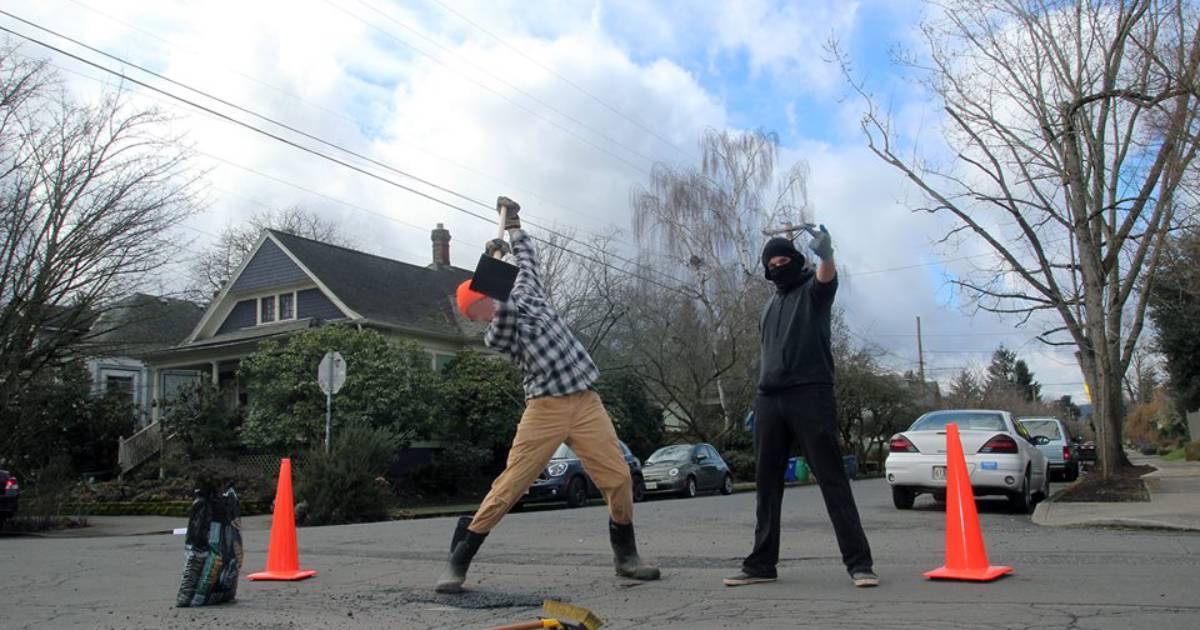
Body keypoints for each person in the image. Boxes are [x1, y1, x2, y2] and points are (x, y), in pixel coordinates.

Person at [435, 196, 660, 594]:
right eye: (478, 311)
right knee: (512, 484)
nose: (483, 312)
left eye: (481, 305)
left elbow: (529, 262)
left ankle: (626, 555)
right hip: (545, 409)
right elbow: (504, 312)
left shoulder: (530, 293)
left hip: (586, 402)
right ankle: (460, 558)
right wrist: (495, 268)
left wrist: (515, 226)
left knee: (619, 477)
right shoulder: (497, 332)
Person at [724, 225, 878, 588]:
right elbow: (767, 353)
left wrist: (826, 254)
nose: (778, 266)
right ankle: (762, 565)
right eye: (772, 263)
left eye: (784, 260)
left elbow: (826, 279)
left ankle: (859, 563)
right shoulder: (769, 305)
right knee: (766, 484)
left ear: (797, 261)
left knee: (831, 478)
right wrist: (757, 398)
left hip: (810, 394)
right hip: (769, 399)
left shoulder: (812, 291)